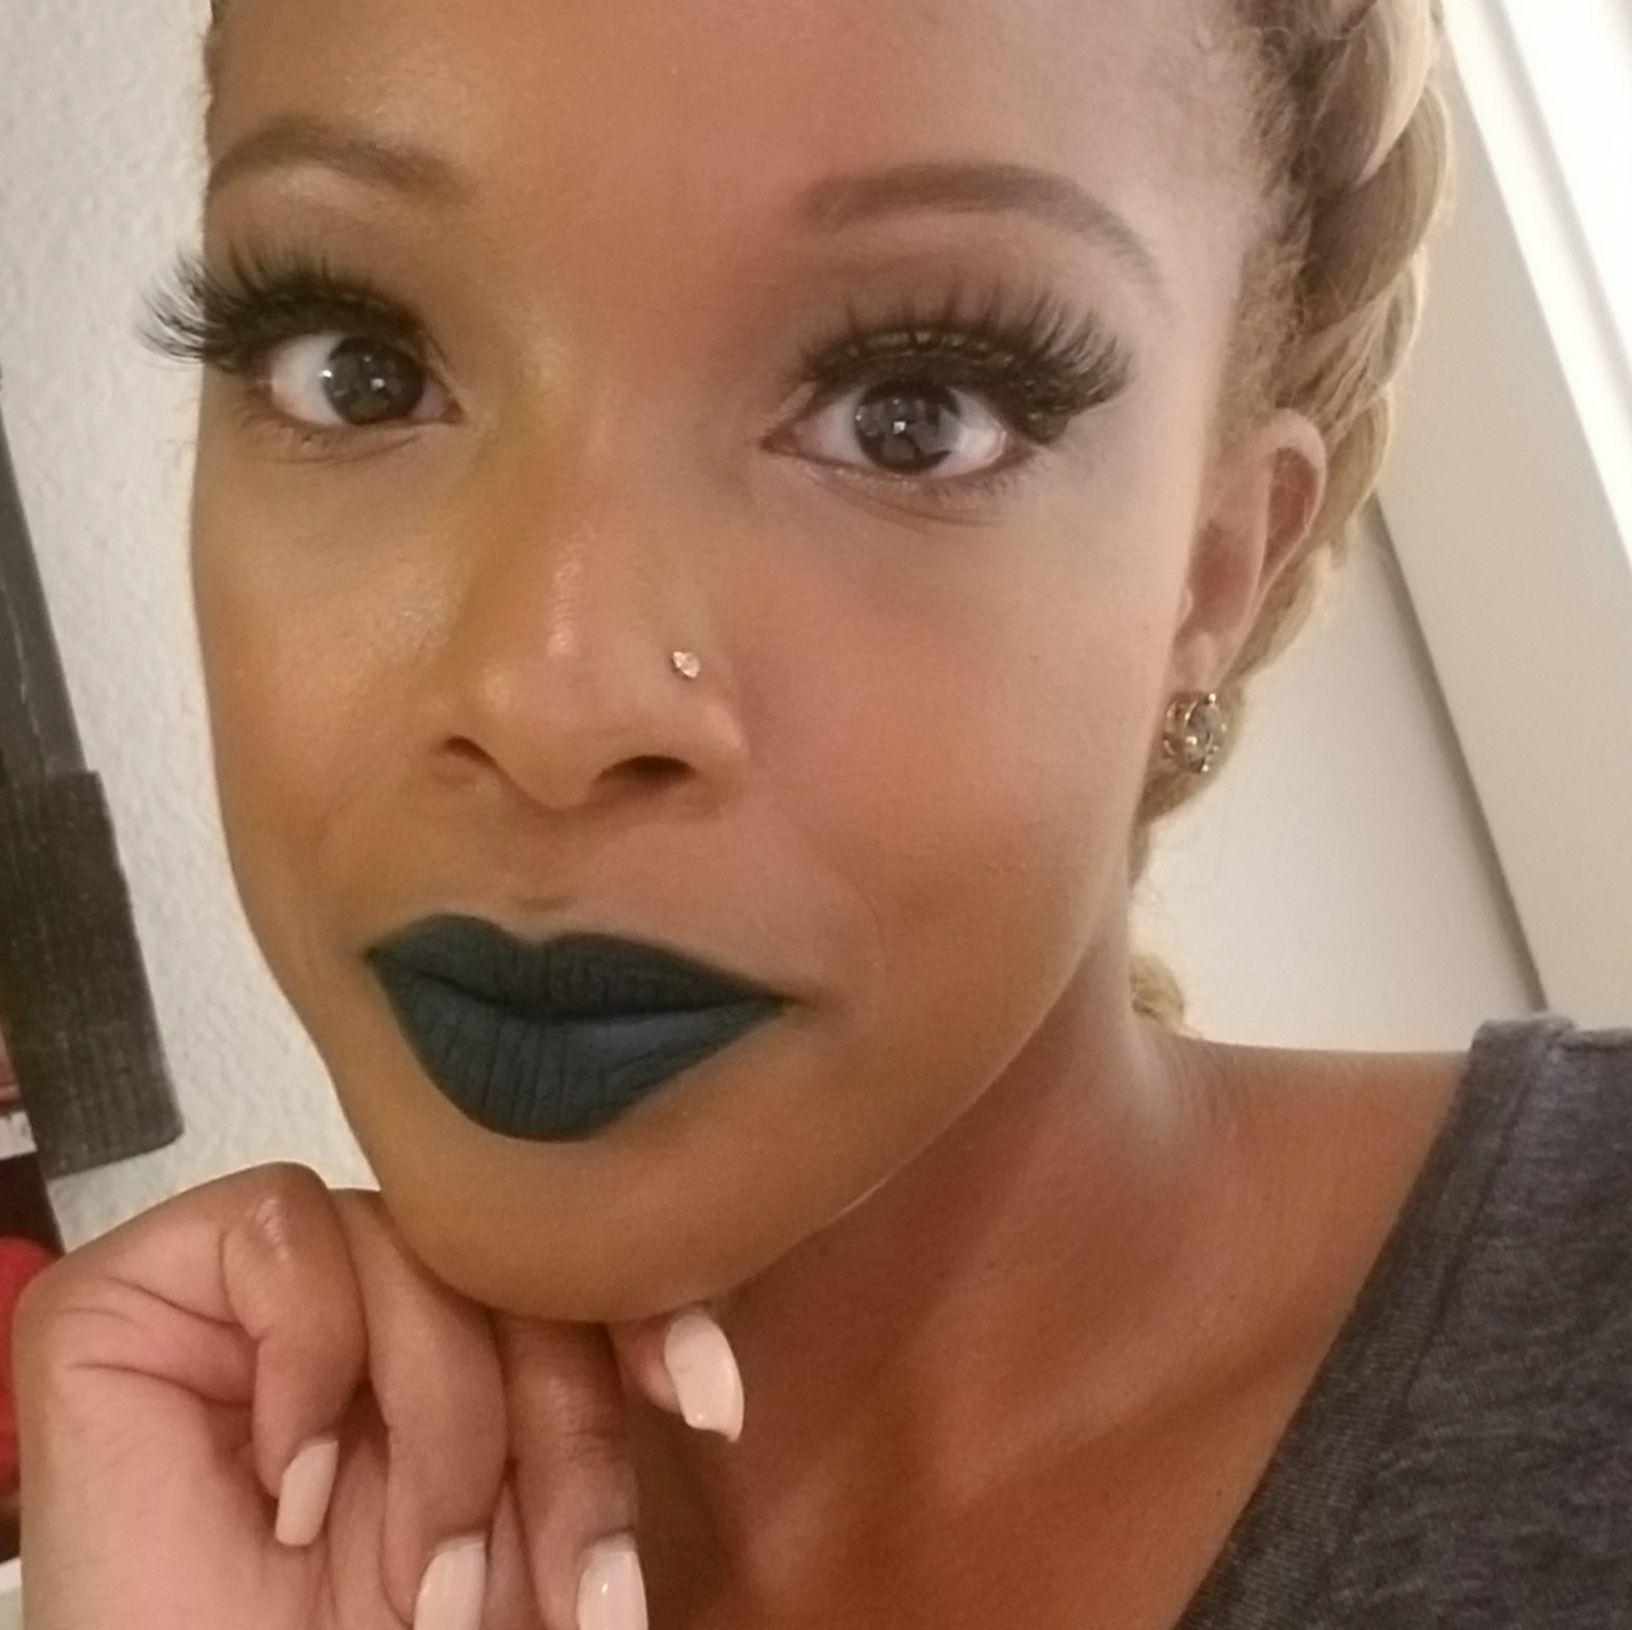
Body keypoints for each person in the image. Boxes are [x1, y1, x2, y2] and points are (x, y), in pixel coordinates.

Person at [12, 0, 1631, 1626]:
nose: (553, 710)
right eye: (359, 371)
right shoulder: (209, 1559)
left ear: (1218, 571)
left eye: (908, 414)